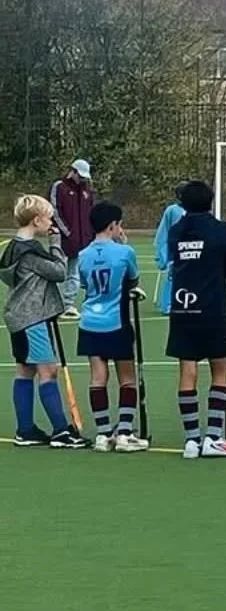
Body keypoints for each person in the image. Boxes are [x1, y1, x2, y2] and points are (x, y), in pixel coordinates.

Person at [166, 180, 226, 460]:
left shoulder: (176, 231)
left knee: (187, 371)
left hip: (183, 306)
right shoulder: (220, 230)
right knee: (219, 369)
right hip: (212, 307)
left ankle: (191, 439)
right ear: (210, 202)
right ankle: (212, 436)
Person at [2, 195, 86, 447]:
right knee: (48, 371)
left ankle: (25, 430)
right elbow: (59, 272)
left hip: (19, 315)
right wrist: (56, 242)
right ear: (37, 220)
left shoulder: (13, 248)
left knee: (25, 370)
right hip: (31, 317)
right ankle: (61, 430)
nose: (51, 222)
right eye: (49, 217)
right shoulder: (30, 252)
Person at [76, 202, 147, 453]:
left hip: (89, 322)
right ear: (112, 225)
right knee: (126, 378)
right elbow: (133, 279)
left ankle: (103, 434)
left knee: (97, 378)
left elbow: (86, 284)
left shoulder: (83, 255)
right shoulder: (125, 252)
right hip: (116, 322)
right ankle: (125, 433)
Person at [50, 157, 96, 318]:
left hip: (82, 240)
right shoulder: (59, 187)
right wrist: (67, 232)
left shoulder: (87, 191)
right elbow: (54, 211)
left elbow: (91, 213)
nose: (82, 179)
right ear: (73, 171)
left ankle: (68, 305)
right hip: (63, 239)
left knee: (74, 273)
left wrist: (90, 234)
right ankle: (53, 306)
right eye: (80, 175)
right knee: (57, 272)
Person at [154, 188, 185, 317]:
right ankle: (167, 305)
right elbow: (163, 231)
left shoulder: (194, 210)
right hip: (174, 250)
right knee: (172, 276)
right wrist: (162, 254)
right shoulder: (172, 210)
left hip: (190, 249)